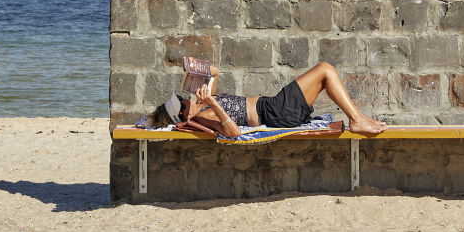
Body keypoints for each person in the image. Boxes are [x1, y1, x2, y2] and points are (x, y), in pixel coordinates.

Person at [146, 61, 387, 137]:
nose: (187, 100)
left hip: (274, 107)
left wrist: (191, 67)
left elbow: (215, 71)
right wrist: (213, 104)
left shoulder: (203, 105)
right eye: (184, 103)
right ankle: (356, 120)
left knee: (325, 72)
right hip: (275, 113)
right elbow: (233, 133)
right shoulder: (205, 116)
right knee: (324, 70)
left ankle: (359, 118)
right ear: (183, 115)